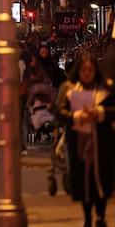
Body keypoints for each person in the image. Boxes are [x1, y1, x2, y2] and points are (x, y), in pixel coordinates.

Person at [54, 54, 115, 227]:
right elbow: (59, 112)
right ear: (78, 71)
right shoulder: (68, 89)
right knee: (83, 180)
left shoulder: (106, 88)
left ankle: (101, 216)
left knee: (102, 178)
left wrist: (100, 113)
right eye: (83, 69)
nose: (87, 73)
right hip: (79, 142)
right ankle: (87, 217)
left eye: (90, 69)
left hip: (102, 141)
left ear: (96, 71)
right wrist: (77, 116)